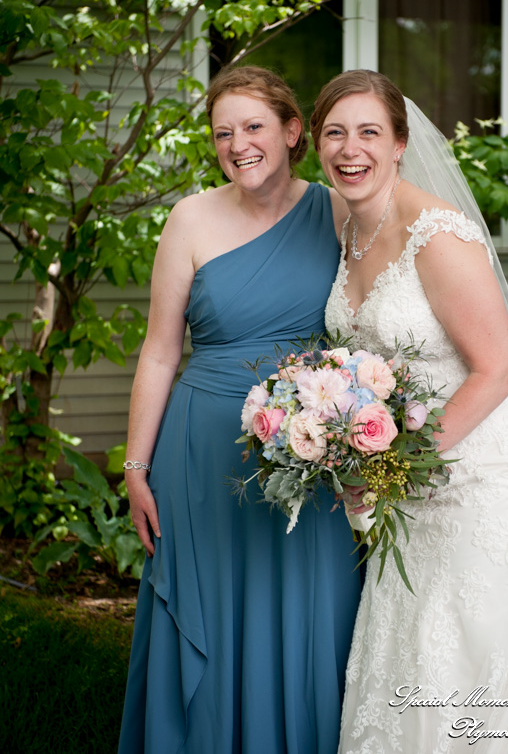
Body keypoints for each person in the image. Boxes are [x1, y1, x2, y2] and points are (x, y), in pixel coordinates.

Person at [310, 70, 508, 753]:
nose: (351, 148)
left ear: (401, 143)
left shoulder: (439, 234)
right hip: (406, 477)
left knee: (472, 654)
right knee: (402, 645)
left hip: (482, 474)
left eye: (370, 132)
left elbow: (496, 371)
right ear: (315, 143)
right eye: (335, 133)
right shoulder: (344, 220)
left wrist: (395, 467)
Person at [118, 66, 362, 754]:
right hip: (201, 450)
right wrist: (137, 466)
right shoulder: (189, 218)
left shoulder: (337, 210)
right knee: (213, 615)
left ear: (291, 132)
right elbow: (161, 351)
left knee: (311, 613)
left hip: (311, 444)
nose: (238, 144)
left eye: (254, 127)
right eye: (224, 132)